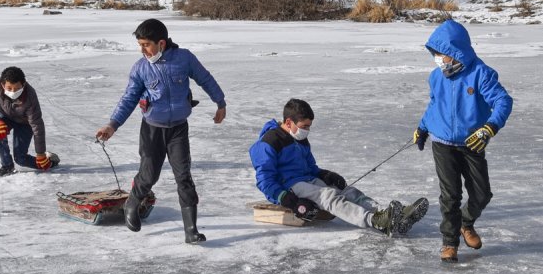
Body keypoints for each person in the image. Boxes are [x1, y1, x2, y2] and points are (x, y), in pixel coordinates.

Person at [95, 18, 226, 243]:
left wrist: (220, 102)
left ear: (161, 43)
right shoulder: (141, 68)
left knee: (184, 177)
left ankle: (191, 230)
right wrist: (112, 124)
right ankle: (132, 204)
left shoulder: (184, 59)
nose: (142, 49)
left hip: (178, 129)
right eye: (140, 45)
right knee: (148, 176)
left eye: (146, 44)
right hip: (152, 130)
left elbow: (205, 78)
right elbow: (128, 99)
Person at [250, 98, 428, 237]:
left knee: (346, 191)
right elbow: (264, 180)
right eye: (304, 127)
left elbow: (310, 167)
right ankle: (375, 221)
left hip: (306, 180)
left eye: (309, 127)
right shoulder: (269, 142)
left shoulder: (300, 139)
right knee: (329, 196)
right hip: (289, 187)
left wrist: (325, 174)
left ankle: (387, 213)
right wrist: (287, 199)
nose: (307, 131)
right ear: (289, 122)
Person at [413, 19, 513, 262]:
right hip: (442, 142)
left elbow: (503, 101)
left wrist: (489, 128)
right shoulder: (436, 77)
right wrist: (423, 127)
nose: (437, 58)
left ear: (454, 51)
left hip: (472, 143)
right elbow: (435, 105)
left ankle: (465, 223)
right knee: (450, 196)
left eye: (441, 53)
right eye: (434, 53)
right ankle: (449, 243)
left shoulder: (481, 73)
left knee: (482, 194)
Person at [0, 66, 59, 177]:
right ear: (2, 85)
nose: (13, 91)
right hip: (7, 116)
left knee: (21, 159)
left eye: (17, 89)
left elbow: (36, 125)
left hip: (25, 123)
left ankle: (51, 161)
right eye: (9, 88)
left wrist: (40, 153)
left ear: (23, 84)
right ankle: (7, 165)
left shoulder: (30, 96)